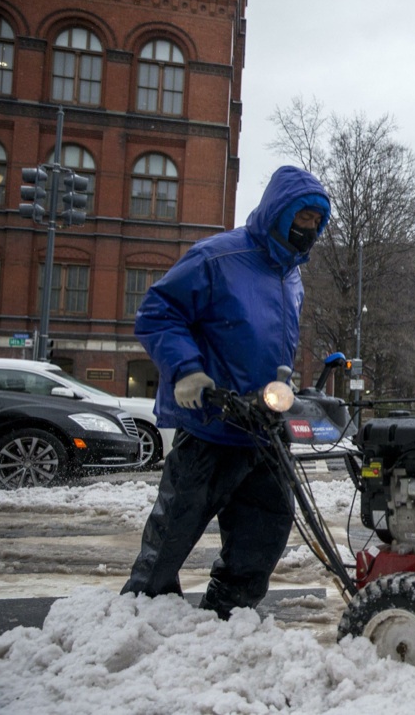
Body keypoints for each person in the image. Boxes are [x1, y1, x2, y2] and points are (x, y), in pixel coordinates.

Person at [121, 165, 331, 619]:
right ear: (278, 211)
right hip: (212, 425)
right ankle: (139, 617)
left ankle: (225, 616)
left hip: (262, 431)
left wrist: (283, 384)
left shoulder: (291, 276)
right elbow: (158, 313)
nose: (308, 228)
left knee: (266, 530)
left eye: (317, 220)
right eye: (302, 216)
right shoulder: (217, 258)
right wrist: (187, 371)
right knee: (174, 532)